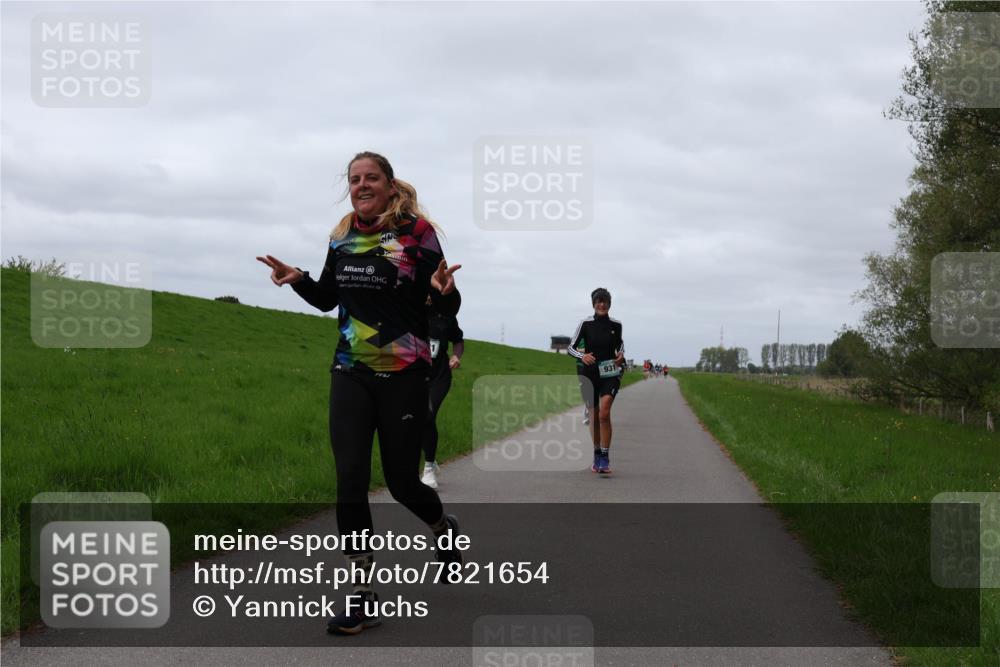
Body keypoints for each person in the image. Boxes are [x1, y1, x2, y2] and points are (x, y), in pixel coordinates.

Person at [257, 151, 463, 635]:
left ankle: (442, 526)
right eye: (354, 179)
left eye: (371, 178)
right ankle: (363, 593)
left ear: (391, 186)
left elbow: (443, 296)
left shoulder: (416, 233)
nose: (362, 185)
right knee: (350, 478)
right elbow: (331, 297)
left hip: (406, 373)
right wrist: (298, 281)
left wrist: (442, 289)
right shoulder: (343, 234)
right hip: (349, 370)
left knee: (402, 483)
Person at [567, 288, 625, 475]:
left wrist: (620, 356)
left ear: (609, 304)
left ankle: (605, 456)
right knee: (594, 415)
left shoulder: (616, 325)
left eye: (605, 301)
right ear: (593, 304)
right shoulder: (585, 323)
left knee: (604, 413)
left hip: (609, 373)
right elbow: (571, 347)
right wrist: (581, 357)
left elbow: (620, 345)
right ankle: (597, 454)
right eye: (599, 301)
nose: (602, 304)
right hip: (589, 374)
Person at [421, 293, 465, 489]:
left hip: (439, 377)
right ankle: (426, 458)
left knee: (428, 416)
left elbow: (458, 340)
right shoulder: (410, 310)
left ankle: (429, 468)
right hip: (413, 376)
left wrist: (456, 356)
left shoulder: (446, 315)